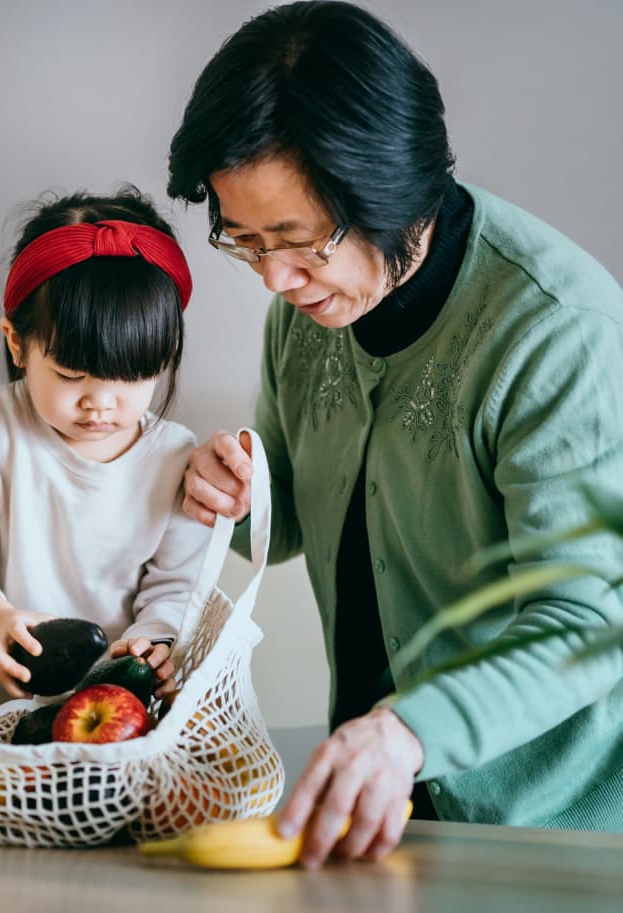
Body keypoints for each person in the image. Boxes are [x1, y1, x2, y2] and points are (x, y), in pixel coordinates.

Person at [167, 0, 623, 869]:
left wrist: (408, 729)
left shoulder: (557, 332)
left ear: (393, 187)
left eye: (300, 242)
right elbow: (293, 517)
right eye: (246, 241)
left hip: (556, 830)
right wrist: (229, 489)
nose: (275, 279)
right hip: (386, 807)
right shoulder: (307, 311)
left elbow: (586, 619)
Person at [0, 185, 211, 717]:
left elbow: (176, 587)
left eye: (132, 377)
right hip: (5, 718)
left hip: (129, 723)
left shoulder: (176, 459)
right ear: (16, 343)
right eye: (71, 375)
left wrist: (153, 643)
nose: (100, 402)